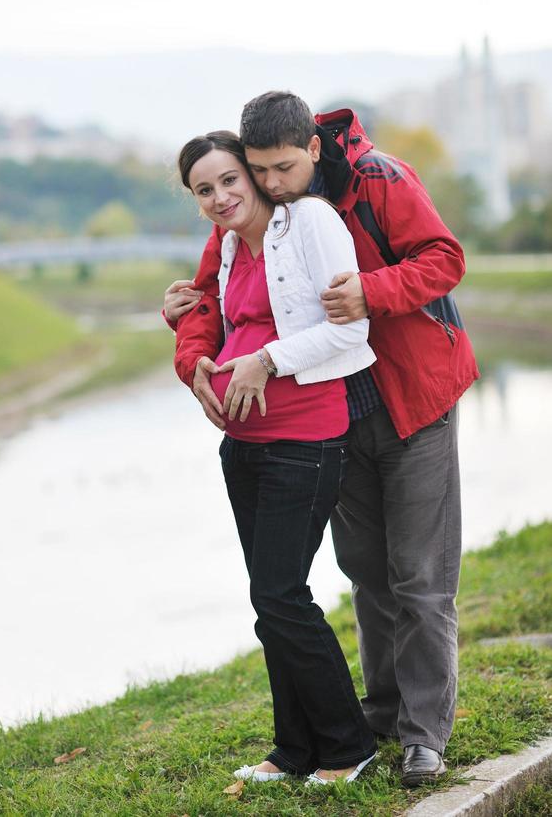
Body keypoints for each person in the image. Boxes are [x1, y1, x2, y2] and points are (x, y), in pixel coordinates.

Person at [165, 92, 479, 787]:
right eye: (258, 172)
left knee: (419, 579)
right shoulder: (247, 207)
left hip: (412, 398)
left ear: (311, 148)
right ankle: (383, 712)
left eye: (280, 169)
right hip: (335, 415)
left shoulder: (379, 180)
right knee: (365, 572)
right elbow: (205, 304)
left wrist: (372, 290)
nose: (269, 186)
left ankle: (425, 737)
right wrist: (193, 359)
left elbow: (443, 258)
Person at [176, 129, 378, 785]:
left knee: (281, 595)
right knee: (270, 604)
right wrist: (198, 354)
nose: (219, 196)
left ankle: (347, 746)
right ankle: (293, 751)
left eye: (229, 180)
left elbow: (348, 326)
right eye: (203, 190)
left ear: (255, 175)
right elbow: (221, 320)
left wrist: (263, 361)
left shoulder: (308, 223)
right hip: (244, 445)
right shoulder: (231, 246)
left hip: (306, 437)